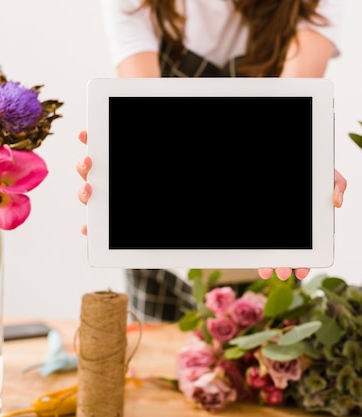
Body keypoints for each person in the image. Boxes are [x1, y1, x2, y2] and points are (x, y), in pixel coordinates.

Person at [76, 0, 347, 321]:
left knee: (262, 352)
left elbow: (291, 112)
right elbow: (147, 118)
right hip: (159, 227)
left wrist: (300, 164)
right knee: (155, 358)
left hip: (262, 226)